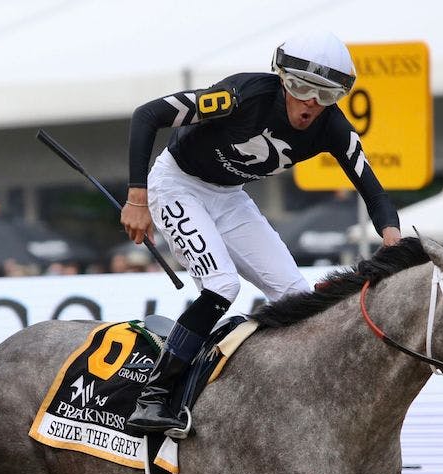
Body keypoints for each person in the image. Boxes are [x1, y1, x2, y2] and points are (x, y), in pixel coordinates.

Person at [120, 31, 401, 434]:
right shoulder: (243, 95)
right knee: (221, 286)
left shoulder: (332, 128)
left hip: (228, 196)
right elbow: (147, 115)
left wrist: (395, 243)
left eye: (325, 96)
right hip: (176, 183)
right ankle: (155, 396)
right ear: (282, 77)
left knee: (297, 296)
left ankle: (293, 392)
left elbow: (372, 189)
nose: (310, 105)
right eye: (301, 87)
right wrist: (137, 198)